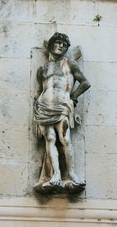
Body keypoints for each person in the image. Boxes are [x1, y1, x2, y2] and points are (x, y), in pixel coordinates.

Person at [34, 32, 91, 194]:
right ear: (50, 46)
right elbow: (38, 91)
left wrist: (73, 97)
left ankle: (71, 173)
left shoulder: (69, 63)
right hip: (44, 107)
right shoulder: (43, 69)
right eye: (58, 43)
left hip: (63, 106)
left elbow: (85, 82)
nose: (61, 46)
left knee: (65, 138)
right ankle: (56, 174)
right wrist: (36, 106)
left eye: (64, 45)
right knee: (50, 139)